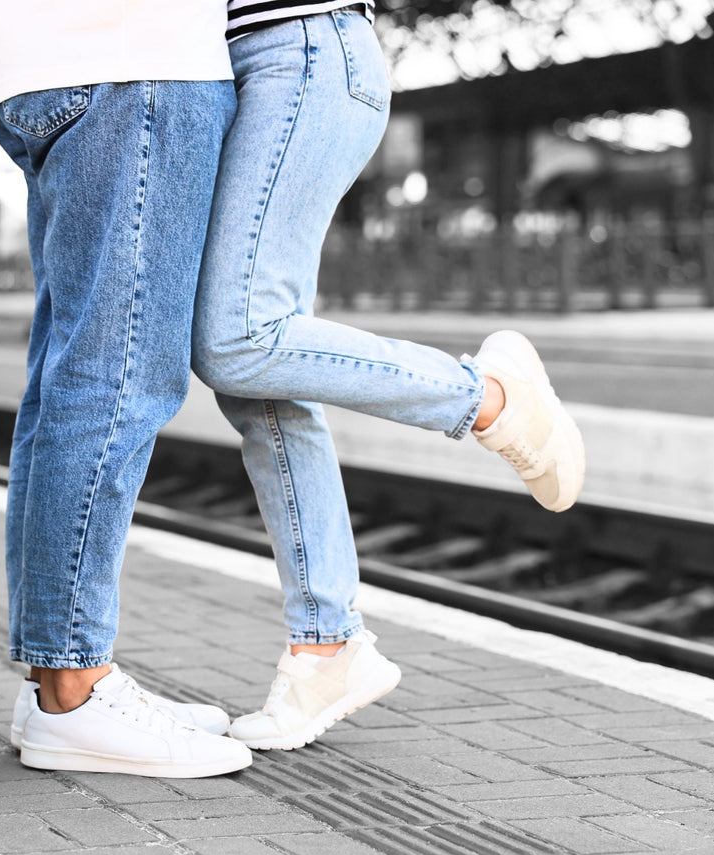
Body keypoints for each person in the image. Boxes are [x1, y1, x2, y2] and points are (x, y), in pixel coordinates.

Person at [190, 0, 586, 751]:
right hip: (245, 61)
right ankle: (326, 647)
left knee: (237, 339)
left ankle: (489, 398)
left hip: (294, 45)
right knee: (258, 380)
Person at [0, 2, 254, 777]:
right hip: (134, 59)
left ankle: (55, 677)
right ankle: (75, 688)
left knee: (68, 378)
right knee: (118, 376)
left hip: (44, 63)